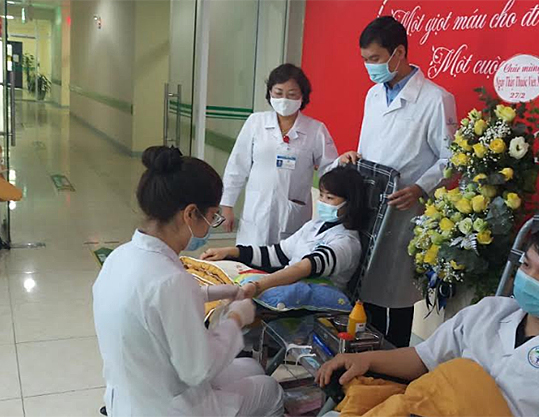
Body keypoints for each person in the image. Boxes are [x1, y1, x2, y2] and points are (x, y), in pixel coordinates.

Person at [317, 225, 539, 417]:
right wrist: (366, 359)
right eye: (526, 266)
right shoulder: (490, 312)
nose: (528, 279)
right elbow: (424, 358)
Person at [93, 146, 283, 417]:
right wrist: (236, 320)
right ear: (191, 213)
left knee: (251, 368)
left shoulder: (120, 257)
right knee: (270, 389)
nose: (210, 227)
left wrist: (218, 292)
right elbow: (198, 370)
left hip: (130, 396)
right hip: (170, 408)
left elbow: (152, 303)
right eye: (212, 217)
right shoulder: (171, 281)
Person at [336, 16, 457, 347]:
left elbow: (451, 160)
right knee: (361, 290)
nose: (369, 67)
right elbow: (369, 147)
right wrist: (353, 158)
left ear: (399, 53)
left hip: (404, 212)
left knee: (395, 297)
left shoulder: (436, 99)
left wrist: (421, 187)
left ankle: (391, 371)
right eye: (365, 60)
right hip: (369, 205)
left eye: (375, 59)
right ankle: (361, 360)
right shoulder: (373, 96)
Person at [201, 166, 366, 298]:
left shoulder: (346, 242)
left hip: (310, 301)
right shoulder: (315, 225)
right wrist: (230, 252)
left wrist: (259, 285)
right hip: (288, 289)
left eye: (329, 198)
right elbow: (277, 254)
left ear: (350, 203)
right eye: (321, 196)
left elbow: (304, 268)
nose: (322, 202)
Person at [221, 63, 339, 246]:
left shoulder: (316, 130)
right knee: (249, 263)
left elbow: (330, 171)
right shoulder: (256, 122)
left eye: (292, 94)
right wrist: (227, 205)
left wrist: (331, 207)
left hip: (293, 214)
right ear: (270, 93)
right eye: (278, 93)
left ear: (302, 96)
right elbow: (237, 165)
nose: (284, 99)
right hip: (256, 212)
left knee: (286, 263)